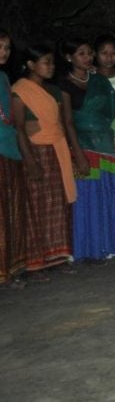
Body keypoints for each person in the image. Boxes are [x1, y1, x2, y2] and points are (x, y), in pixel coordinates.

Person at [58, 39, 115, 261]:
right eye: (81, 53)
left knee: (113, 194)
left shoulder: (99, 81)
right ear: (69, 57)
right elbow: (67, 121)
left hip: (107, 142)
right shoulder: (64, 84)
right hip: (83, 143)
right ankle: (91, 247)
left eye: (89, 53)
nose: (87, 57)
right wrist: (77, 153)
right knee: (88, 198)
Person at [11, 45, 76, 279]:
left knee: (57, 205)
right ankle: (35, 262)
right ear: (30, 65)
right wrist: (30, 161)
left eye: (52, 62)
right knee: (36, 208)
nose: (51, 66)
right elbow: (19, 128)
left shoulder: (54, 91)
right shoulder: (19, 91)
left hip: (56, 151)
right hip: (37, 152)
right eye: (45, 62)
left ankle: (56, 255)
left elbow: (61, 124)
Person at [0, 30, 28, 287]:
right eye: (0, 47)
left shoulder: (4, 77)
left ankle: (10, 267)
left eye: (7, 47)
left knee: (10, 210)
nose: (4, 52)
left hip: (9, 147)